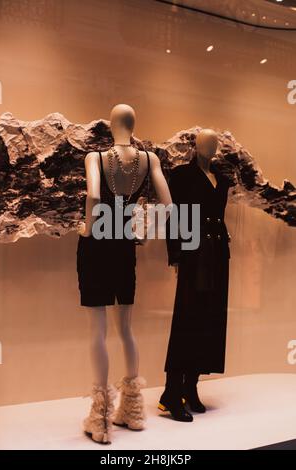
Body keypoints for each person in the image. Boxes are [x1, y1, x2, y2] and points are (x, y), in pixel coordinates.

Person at [77, 103, 172, 443]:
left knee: (98, 330)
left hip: (97, 245)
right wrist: (143, 231)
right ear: (133, 124)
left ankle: (100, 420)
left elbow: (92, 194)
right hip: (123, 244)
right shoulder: (150, 160)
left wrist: (88, 230)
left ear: (110, 124)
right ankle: (132, 412)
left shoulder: (95, 157)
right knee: (126, 329)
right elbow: (169, 206)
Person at [158, 129, 231, 422]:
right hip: (193, 254)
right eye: (206, 142)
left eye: (215, 143)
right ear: (196, 145)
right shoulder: (182, 176)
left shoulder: (222, 180)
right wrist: (175, 254)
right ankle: (171, 393)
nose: (211, 147)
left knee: (209, 321)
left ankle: (191, 386)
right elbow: (174, 215)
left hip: (217, 255)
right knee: (187, 321)